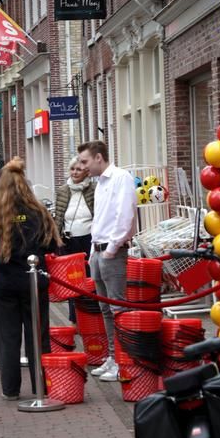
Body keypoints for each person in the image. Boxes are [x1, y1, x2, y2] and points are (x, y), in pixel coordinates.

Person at [0, 158, 61, 400]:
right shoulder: (38, 213)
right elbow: (51, 245)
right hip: (33, 281)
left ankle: (10, 389)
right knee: (37, 336)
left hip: (4, 283)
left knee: (7, 336)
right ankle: (41, 385)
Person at [76, 140, 137, 382]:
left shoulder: (121, 178)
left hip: (111, 251)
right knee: (106, 308)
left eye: (85, 161)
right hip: (99, 250)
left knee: (118, 307)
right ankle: (113, 357)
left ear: (98, 158)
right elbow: (101, 218)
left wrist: (112, 248)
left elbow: (125, 213)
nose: (82, 166)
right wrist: (94, 250)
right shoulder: (99, 183)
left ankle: (123, 360)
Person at [53, 157, 96, 321]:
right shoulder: (63, 190)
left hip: (90, 240)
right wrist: (57, 238)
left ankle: (91, 315)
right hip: (69, 242)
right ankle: (74, 318)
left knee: (90, 279)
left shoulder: (94, 189)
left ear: (86, 171)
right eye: (72, 169)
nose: (75, 172)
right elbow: (58, 217)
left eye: (78, 169)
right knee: (72, 281)